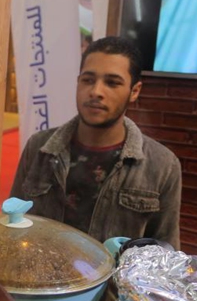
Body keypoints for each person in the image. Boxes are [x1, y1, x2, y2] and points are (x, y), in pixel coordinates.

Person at [9, 36, 182, 250]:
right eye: (88, 79)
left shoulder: (161, 164)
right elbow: (13, 224)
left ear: (134, 91)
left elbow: (166, 250)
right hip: (40, 280)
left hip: (111, 284)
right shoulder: (40, 147)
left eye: (112, 83)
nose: (96, 92)